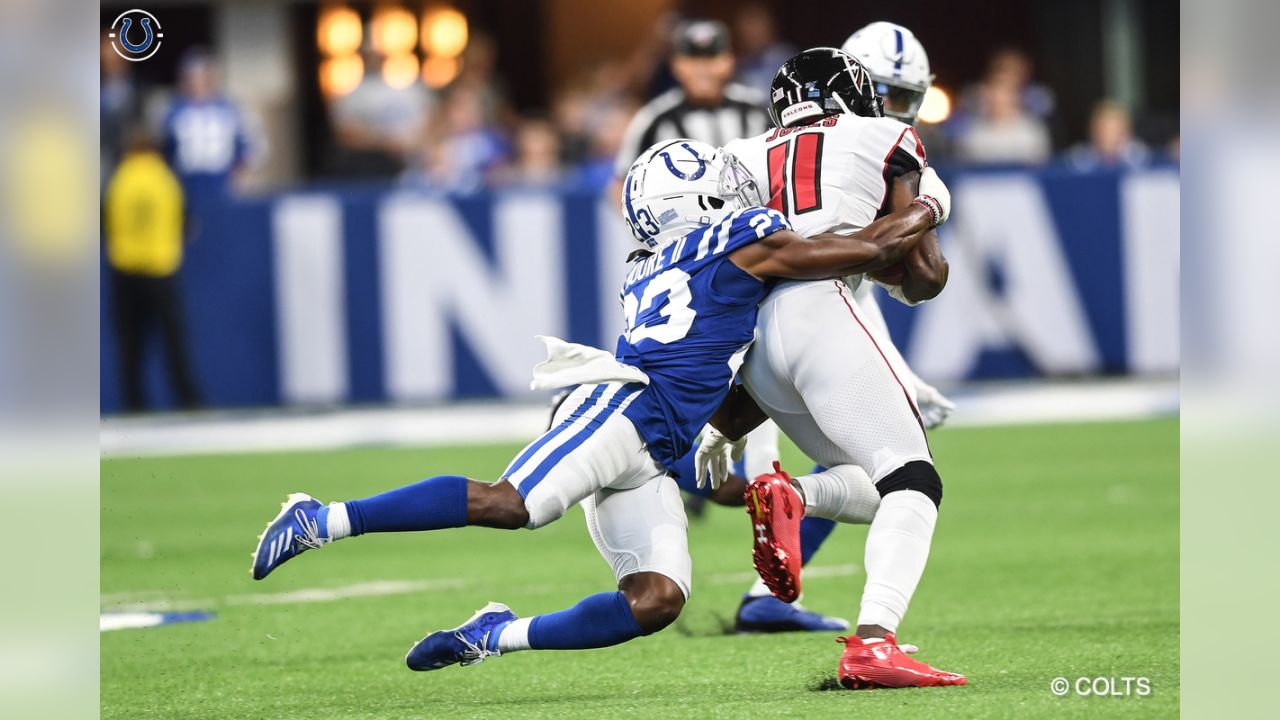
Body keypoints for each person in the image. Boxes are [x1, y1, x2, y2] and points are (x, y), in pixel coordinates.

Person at [248, 138, 949, 673]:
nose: (732, 186)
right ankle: (324, 519)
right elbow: (865, 246)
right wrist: (924, 201)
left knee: (656, 602)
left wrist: (727, 429)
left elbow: (724, 364)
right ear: (698, 200)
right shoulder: (743, 242)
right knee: (510, 503)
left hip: (658, 442)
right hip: (621, 413)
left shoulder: (662, 261)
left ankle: (494, 634)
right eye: (716, 180)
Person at [706, 48, 966, 688]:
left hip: (756, 340)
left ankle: (796, 495)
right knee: (914, 479)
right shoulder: (883, 134)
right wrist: (929, 206)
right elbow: (925, 277)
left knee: (874, 482)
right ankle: (875, 641)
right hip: (824, 312)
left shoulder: (736, 157)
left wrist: (724, 412)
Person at [610, 20, 769, 202]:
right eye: (694, 60)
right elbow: (621, 182)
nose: (703, 69)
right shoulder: (654, 118)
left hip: (758, 224)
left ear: (729, 61)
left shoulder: (757, 110)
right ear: (677, 65)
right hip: (686, 227)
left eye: (711, 58)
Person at [104, 130, 203, 412]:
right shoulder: (165, 179)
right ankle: (189, 401)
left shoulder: (119, 180)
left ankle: (134, 404)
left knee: (131, 345)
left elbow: (104, 223)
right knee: (174, 341)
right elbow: (184, 222)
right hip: (161, 270)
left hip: (124, 270)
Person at [160, 49, 260, 210]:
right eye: (192, 78)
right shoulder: (173, 111)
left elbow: (251, 146)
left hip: (220, 182)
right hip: (186, 184)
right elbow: (165, 149)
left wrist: (235, 172)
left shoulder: (230, 108)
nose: (197, 83)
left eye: (202, 77)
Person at [1065, 100, 1151, 171]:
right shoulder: (1079, 160)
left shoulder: (1141, 158)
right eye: (1103, 130)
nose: (1108, 137)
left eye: (1114, 130)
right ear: (1093, 133)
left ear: (1127, 132)